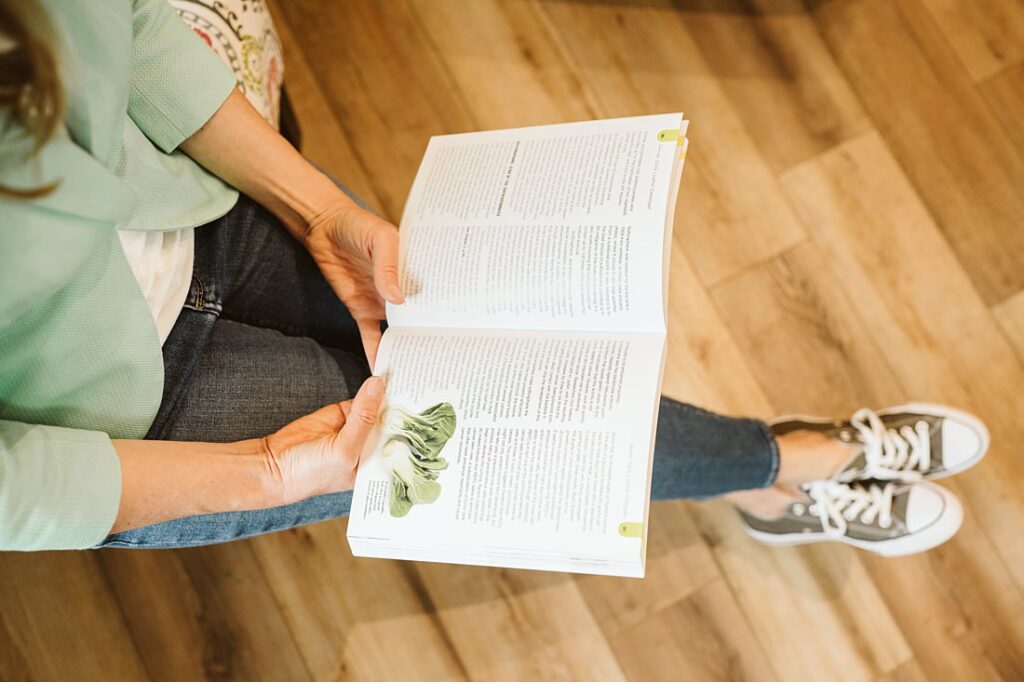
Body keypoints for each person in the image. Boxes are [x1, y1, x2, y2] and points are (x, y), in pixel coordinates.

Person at [0, 0, 989, 556]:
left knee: (514, 357)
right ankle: (782, 467)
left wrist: (319, 211)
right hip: (128, 414)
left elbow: (126, 28)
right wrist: (266, 474)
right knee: (497, 434)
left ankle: (763, 478)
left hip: (200, 202)